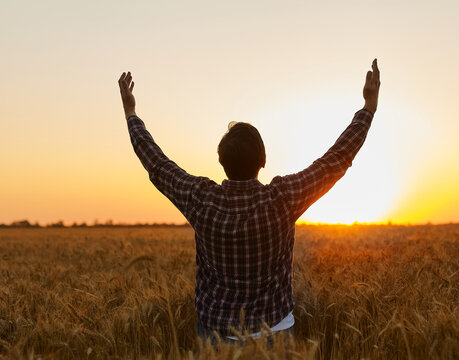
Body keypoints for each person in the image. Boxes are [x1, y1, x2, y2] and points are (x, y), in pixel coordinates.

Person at [117, 59, 381, 345]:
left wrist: (131, 112)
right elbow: (334, 161)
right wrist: (368, 109)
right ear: (263, 161)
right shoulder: (282, 199)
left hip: (215, 337)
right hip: (276, 334)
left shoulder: (201, 199)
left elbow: (157, 164)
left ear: (221, 161)